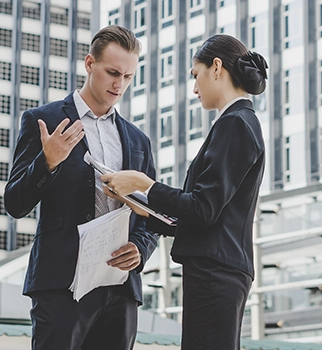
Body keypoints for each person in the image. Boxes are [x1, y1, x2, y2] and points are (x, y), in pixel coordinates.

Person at [101, 34, 268, 350]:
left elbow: (203, 207)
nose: (194, 88)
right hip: (217, 271)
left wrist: (143, 184)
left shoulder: (236, 123)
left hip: (214, 273)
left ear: (216, 67)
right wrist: (143, 207)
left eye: (196, 75)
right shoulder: (237, 122)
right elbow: (205, 214)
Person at [4, 25, 158, 350]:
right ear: (89, 64)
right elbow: (15, 203)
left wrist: (141, 247)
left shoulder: (138, 141)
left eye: (128, 77)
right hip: (61, 285)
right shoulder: (42, 121)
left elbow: (150, 211)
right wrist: (47, 161)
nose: (120, 84)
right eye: (113, 72)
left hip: (119, 288)